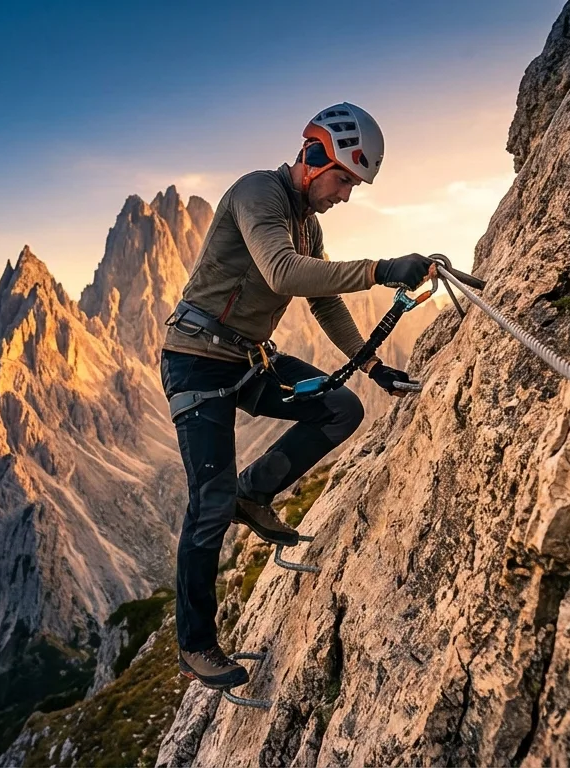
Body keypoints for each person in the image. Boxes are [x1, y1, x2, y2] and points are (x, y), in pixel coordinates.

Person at [161, 102, 433, 689]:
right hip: (195, 361)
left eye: (354, 186)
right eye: (344, 179)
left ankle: (252, 495)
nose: (346, 194)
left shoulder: (307, 223)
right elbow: (284, 274)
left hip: (246, 356)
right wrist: (385, 268)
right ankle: (196, 646)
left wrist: (371, 365)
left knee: (341, 408)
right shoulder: (258, 194)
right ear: (314, 157)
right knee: (207, 503)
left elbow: (325, 301)